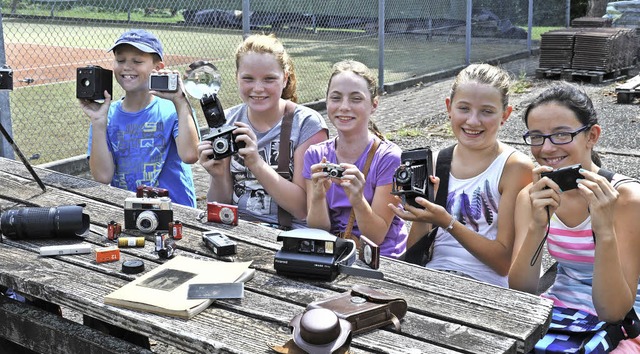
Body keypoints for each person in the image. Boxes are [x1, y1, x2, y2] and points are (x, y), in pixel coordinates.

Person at [508, 82, 640, 351]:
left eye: (561, 135)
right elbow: (521, 291)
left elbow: (614, 311)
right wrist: (536, 226)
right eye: (536, 136)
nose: (546, 148)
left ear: (592, 136)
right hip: (561, 312)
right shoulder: (531, 197)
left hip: (626, 320)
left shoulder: (626, 199)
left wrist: (603, 233)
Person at [389, 63, 533, 287]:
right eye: (464, 108)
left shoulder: (514, 167)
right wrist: (421, 216)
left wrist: (446, 221)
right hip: (433, 275)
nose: (473, 121)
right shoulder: (436, 162)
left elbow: (503, 263)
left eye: (487, 111)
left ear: (505, 115)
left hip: (486, 285)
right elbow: (416, 252)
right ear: (449, 107)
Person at [197, 34, 328, 229]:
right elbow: (221, 206)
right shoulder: (226, 122)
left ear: (285, 79)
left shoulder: (306, 124)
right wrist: (217, 176)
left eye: (269, 79)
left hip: (289, 234)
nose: (258, 88)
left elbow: (303, 209)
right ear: (236, 78)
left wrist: (256, 163)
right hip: (238, 228)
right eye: (248, 79)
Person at [80, 29, 200, 207]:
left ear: (158, 68)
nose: (127, 67)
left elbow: (190, 155)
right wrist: (98, 123)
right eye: (120, 60)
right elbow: (102, 176)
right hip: (128, 210)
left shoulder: (174, 109)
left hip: (176, 211)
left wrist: (182, 103)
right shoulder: (106, 116)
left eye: (137, 61)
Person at [303, 60, 408, 258]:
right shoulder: (315, 155)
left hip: (380, 258)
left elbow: (376, 236)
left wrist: (358, 200)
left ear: (374, 104)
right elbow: (318, 230)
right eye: (336, 98)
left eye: (356, 99)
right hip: (335, 253)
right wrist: (317, 197)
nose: (344, 107)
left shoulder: (388, 158)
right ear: (327, 102)